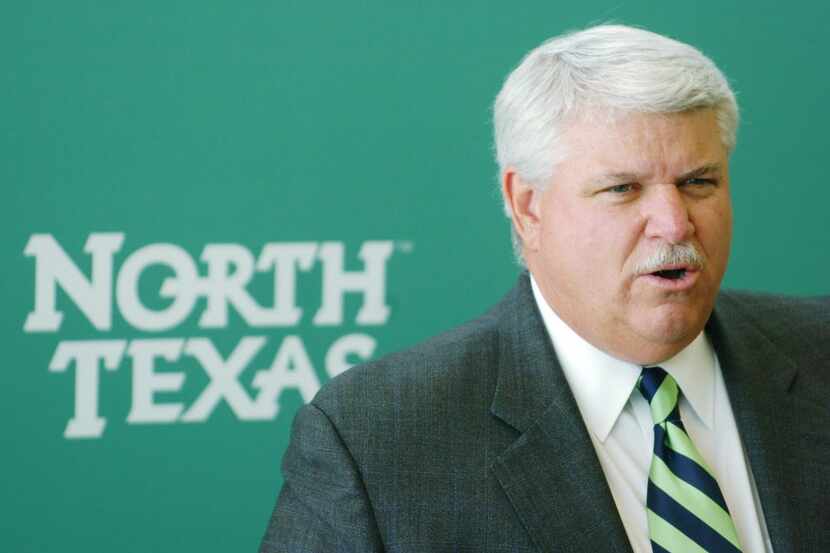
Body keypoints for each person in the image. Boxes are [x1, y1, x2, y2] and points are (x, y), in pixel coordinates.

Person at [259, 25, 829, 553]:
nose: (675, 224)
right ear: (527, 206)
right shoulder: (379, 440)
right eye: (623, 189)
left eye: (698, 182)